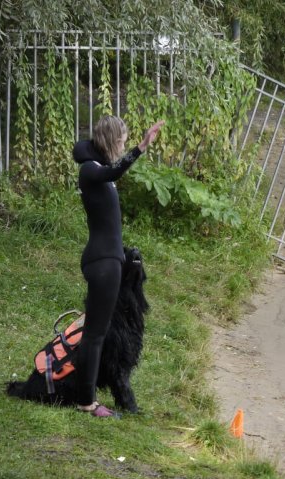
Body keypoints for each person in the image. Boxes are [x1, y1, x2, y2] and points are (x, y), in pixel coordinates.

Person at [72, 116, 164, 417]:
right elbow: (115, 169)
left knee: (97, 333)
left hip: (108, 260)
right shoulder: (91, 170)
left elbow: (111, 169)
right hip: (102, 262)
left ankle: (86, 396)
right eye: (122, 140)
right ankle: (87, 402)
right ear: (112, 140)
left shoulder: (97, 167)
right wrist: (139, 148)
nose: (123, 145)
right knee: (95, 335)